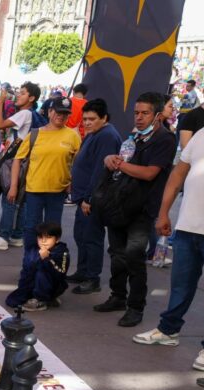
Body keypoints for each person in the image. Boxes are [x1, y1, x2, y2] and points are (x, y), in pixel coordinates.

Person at [133, 87, 204, 373]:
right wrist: (164, 212)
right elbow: (179, 172)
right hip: (189, 225)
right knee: (180, 284)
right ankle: (168, 330)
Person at [93, 92, 176, 328]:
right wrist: (111, 158)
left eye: (145, 113)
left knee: (134, 257)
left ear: (158, 115)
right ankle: (117, 296)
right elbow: (121, 161)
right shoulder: (133, 137)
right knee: (117, 254)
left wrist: (122, 165)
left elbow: (150, 173)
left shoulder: (165, 139)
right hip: (120, 203)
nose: (139, 117)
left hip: (143, 209)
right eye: (136, 113)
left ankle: (135, 306)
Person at [7, 96, 80, 250]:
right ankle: (30, 264)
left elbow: (78, 164)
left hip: (58, 192)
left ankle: (48, 264)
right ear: (49, 112)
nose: (61, 116)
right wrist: (13, 186)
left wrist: (72, 182)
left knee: (52, 231)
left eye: (65, 113)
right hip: (34, 191)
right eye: (58, 112)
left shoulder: (73, 136)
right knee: (31, 228)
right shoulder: (35, 134)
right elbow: (17, 160)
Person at [66, 98, 122, 295]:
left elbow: (101, 171)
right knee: (81, 236)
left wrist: (89, 198)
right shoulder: (94, 133)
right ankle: (83, 271)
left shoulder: (107, 136)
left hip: (93, 198)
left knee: (92, 238)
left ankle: (92, 277)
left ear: (104, 118)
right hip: (82, 196)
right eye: (85, 119)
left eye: (92, 119)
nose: (87, 123)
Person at [0, 81, 42, 250]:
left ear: (31, 97)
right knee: (20, 200)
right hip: (23, 160)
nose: (18, 95)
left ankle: (3, 236)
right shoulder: (31, 114)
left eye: (22, 93)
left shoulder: (25, 114)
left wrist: (0, 102)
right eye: (19, 92)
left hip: (15, 160)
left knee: (9, 197)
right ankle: (17, 235)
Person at [5, 222, 70, 311]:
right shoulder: (34, 250)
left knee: (42, 271)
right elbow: (26, 272)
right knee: (13, 301)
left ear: (57, 239)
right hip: (34, 284)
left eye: (48, 238)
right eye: (40, 238)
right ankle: (45, 298)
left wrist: (47, 259)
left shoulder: (62, 252)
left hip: (54, 284)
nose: (43, 241)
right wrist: (22, 290)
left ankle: (41, 299)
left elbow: (60, 273)